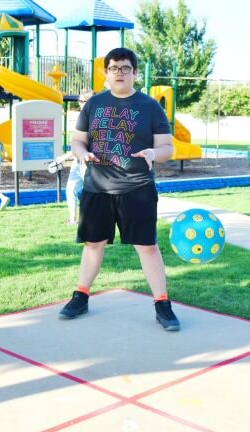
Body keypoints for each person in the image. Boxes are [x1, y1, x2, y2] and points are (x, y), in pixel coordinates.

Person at [57, 47, 180, 331]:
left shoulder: (150, 106)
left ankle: (162, 304)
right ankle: (81, 296)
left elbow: (167, 148)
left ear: (135, 73)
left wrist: (153, 153)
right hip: (97, 188)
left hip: (137, 188)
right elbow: (77, 141)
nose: (119, 73)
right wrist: (81, 153)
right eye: (113, 68)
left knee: (147, 247)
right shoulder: (93, 105)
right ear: (106, 73)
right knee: (93, 244)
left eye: (125, 68)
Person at [57, 89, 94, 224]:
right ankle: (73, 220)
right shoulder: (82, 118)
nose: (79, 103)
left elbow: (81, 145)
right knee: (71, 189)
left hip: (89, 162)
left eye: (82, 101)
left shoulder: (93, 120)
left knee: (92, 193)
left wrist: (63, 157)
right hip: (78, 161)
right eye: (79, 101)